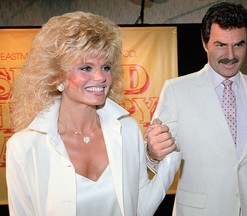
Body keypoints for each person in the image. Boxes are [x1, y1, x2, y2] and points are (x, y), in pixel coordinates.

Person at [6, 11, 181, 216]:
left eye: (105, 67)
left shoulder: (126, 130)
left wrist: (167, 160)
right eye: (86, 67)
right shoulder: (25, 147)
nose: (100, 77)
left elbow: (139, 208)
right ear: (56, 77)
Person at [145, 2, 247, 216]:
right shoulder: (176, 90)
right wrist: (153, 152)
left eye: (238, 45)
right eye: (220, 45)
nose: (230, 55)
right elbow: (157, 160)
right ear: (205, 43)